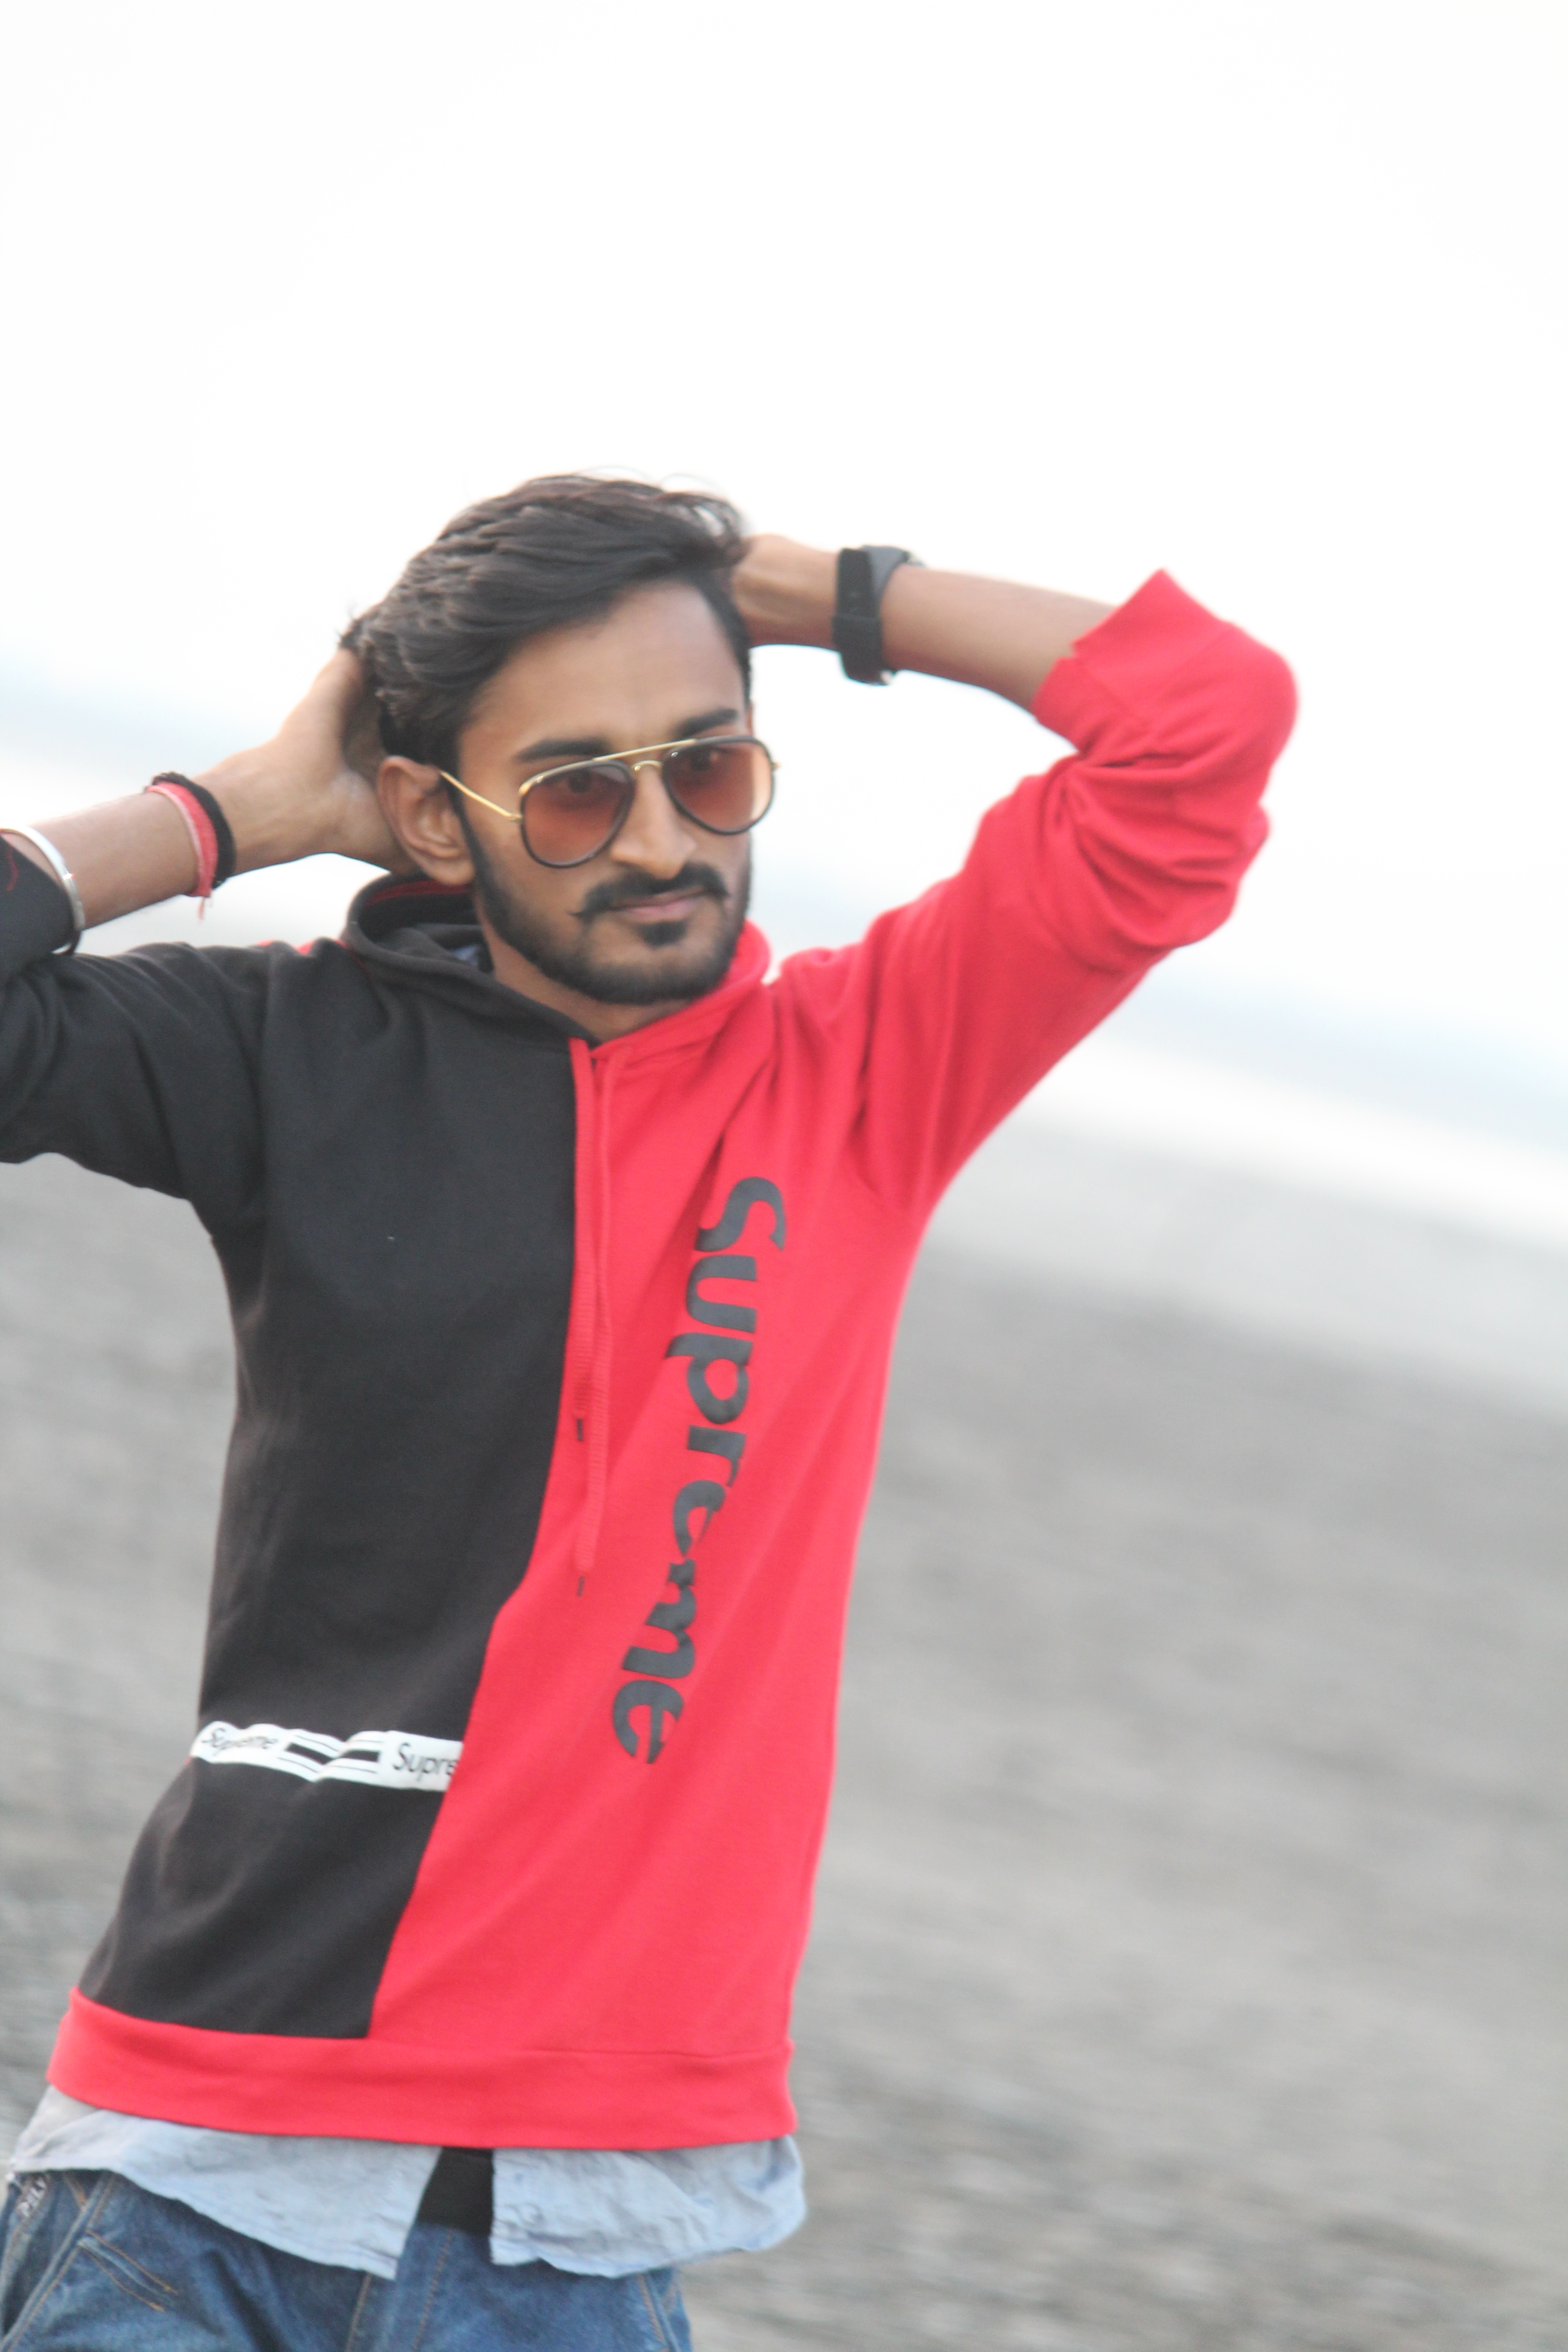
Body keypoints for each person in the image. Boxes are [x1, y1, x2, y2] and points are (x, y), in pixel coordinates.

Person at [0, 476, 1295, 2349]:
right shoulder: (289, 1049)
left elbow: (1206, 722)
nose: (665, 839)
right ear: (432, 817)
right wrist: (233, 811)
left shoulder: (864, 1071)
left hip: (575, 2246)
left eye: (709, 767)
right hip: (194, 2174)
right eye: (576, 793)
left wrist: (793, 590)